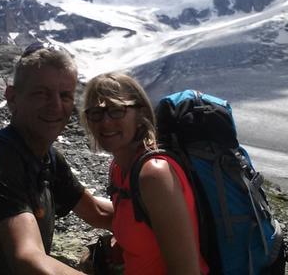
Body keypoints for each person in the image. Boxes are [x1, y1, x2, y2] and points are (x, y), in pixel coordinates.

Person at [0, 42, 113, 275]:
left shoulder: (47, 158)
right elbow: (27, 258)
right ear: (12, 98)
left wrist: (158, 214)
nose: (56, 106)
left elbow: (97, 212)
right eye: (41, 93)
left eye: (65, 95)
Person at [80, 72, 209, 275]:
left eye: (116, 110)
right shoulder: (119, 168)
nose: (105, 122)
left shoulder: (154, 175)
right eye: (96, 113)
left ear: (140, 114)